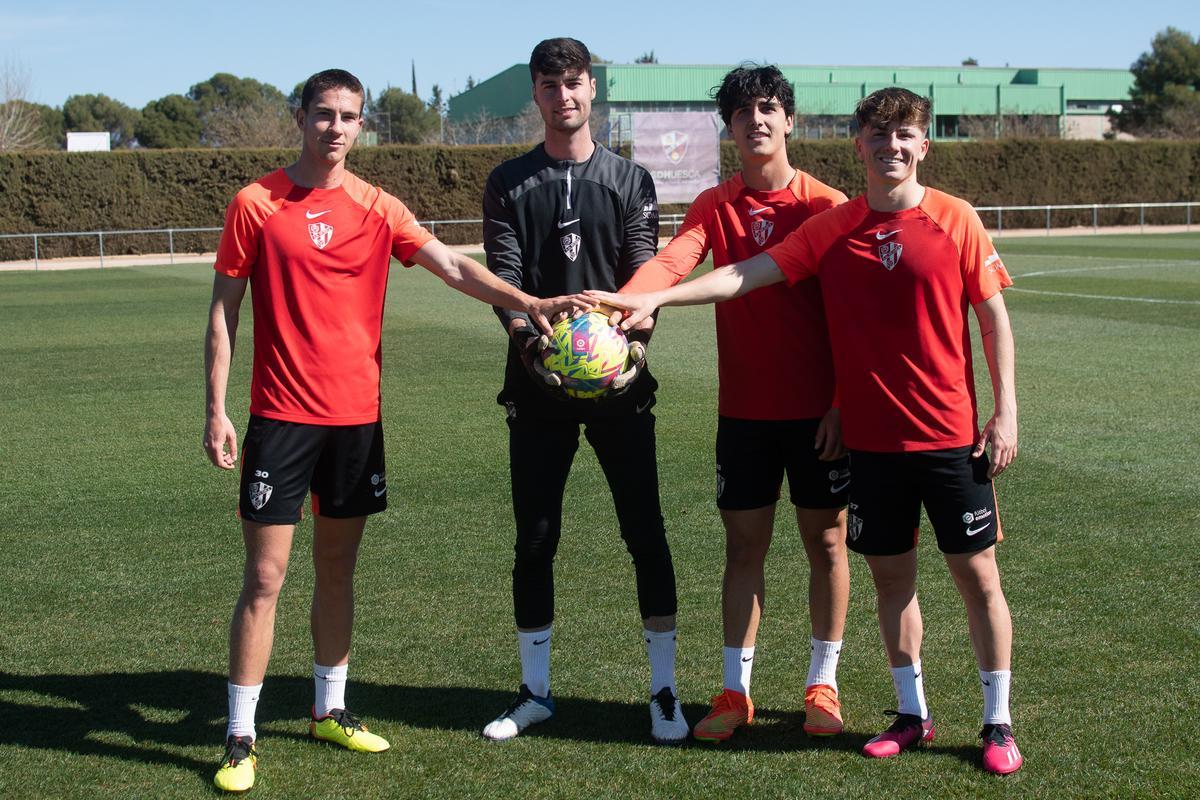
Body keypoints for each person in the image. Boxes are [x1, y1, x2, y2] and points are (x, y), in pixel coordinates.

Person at [588, 87, 1024, 775]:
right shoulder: (821, 222)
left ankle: (985, 721)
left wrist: (1005, 412)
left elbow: (993, 317)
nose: (892, 148)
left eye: (905, 136)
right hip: (847, 437)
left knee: (963, 575)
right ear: (859, 144)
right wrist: (647, 296)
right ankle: (887, 711)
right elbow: (737, 273)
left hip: (918, 431)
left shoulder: (928, 216)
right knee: (874, 578)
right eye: (878, 137)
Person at [203, 68, 585, 793]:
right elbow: (224, 311)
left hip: (356, 419)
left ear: (360, 124)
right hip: (281, 418)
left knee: (339, 570)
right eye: (324, 114)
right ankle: (240, 733)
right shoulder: (256, 204)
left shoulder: (377, 206)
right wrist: (216, 408)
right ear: (301, 116)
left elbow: (449, 266)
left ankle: (329, 709)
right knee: (264, 578)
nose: (336, 128)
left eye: (349, 116)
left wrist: (528, 301)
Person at [615, 64, 851, 743]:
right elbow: (672, 263)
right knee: (743, 548)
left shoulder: (826, 208)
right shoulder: (715, 204)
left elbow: (851, 318)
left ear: (790, 120)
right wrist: (627, 297)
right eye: (743, 111)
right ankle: (733, 691)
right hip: (744, 414)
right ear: (729, 126)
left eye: (769, 107)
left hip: (818, 417)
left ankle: (822, 684)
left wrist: (839, 401)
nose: (756, 120)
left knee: (827, 543)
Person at [478, 37, 688, 746]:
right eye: (548, 85)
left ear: (592, 88)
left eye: (573, 83)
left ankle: (664, 692)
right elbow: (504, 281)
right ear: (534, 94)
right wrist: (540, 350)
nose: (562, 96)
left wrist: (631, 349)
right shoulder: (508, 182)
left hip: (622, 390)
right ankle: (534, 694)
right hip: (536, 389)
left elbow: (644, 280)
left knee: (645, 534)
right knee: (535, 540)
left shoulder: (630, 181)